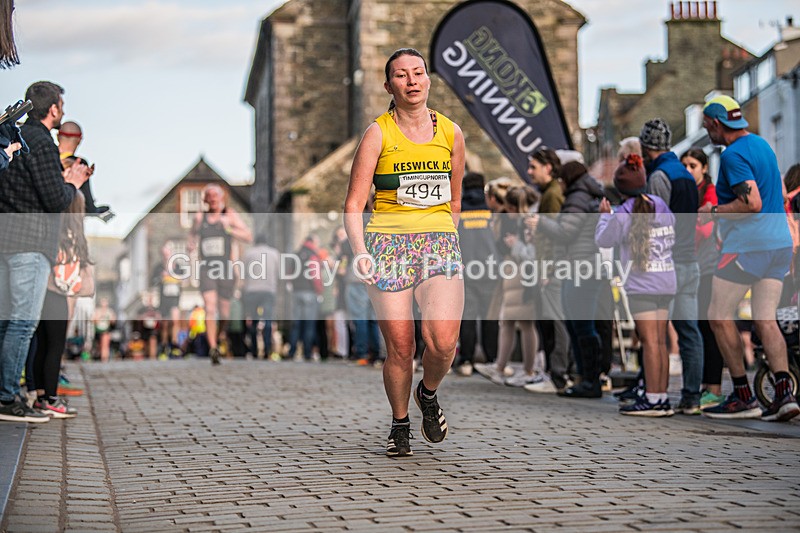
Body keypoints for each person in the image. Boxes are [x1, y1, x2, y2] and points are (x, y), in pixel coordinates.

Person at [344, 48, 465, 457]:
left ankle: (427, 393)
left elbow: (455, 200)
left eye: (418, 73)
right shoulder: (377, 133)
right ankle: (400, 424)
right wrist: (360, 251)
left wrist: (447, 236)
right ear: (388, 85)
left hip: (438, 242)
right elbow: (354, 204)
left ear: (428, 80)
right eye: (401, 75)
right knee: (401, 346)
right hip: (388, 244)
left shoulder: (451, 133)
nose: (411, 81)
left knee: (443, 341)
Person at [699, 95, 799, 421]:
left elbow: (751, 202)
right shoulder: (762, 145)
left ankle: (743, 396)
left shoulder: (733, 155)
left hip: (748, 246)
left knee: (717, 315)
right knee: (765, 319)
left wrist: (714, 211)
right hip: (778, 244)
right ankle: (784, 395)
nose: (707, 132)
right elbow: (779, 194)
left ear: (717, 124)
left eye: (707, 127)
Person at [0, 81, 89, 423]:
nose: (62, 111)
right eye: (61, 106)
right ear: (53, 109)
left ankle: (7, 392)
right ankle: (8, 397)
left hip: (6, 238)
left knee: (7, 322)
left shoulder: (13, 135)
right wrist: (73, 184)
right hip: (31, 242)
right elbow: (55, 200)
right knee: (23, 324)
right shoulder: (41, 142)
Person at [597, 154, 677, 416]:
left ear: (620, 189)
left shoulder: (623, 214)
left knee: (649, 342)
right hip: (667, 280)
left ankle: (652, 400)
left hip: (643, 284)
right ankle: (661, 396)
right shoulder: (659, 204)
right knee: (661, 342)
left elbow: (603, 240)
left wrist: (604, 216)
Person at [640, 118, 703, 415]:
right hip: (690, 260)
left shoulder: (659, 177)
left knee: (656, 332)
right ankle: (692, 397)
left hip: (669, 263)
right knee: (689, 332)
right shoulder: (685, 175)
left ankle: (655, 394)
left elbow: (655, 222)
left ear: (646, 146)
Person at [534, 161, 606, 398]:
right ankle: (586, 378)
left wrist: (541, 222)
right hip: (583, 266)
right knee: (579, 324)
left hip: (581, 267)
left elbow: (566, 232)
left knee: (580, 325)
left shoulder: (577, 197)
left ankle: (589, 380)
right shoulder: (587, 194)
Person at [32, 191, 93, 418]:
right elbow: (68, 276)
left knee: (41, 345)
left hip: (41, 292)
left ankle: (40, 396)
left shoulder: (51, 230)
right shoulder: (71, 236)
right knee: (55, 347)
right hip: (57, 294)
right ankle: (51, 398)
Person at [524, 147, 573, 393]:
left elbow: (556, 236)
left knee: (556, 321)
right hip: (550, 266)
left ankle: (558, 376)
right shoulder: (550, 193)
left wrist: (548, 268)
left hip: (552, 268)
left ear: (548, 168)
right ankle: (556, 374)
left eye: (534, 167)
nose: (529, 172)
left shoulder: (552, 195)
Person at [189, 184, 252, 365]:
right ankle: (213, 347)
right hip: (206, 268)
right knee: (209, 307)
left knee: (224, 312)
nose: (213, 199)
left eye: (215, 196)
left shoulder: (229, 215)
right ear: (205, 200)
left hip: (225, 268)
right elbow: (192, 235)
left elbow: (248, 236)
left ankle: (218, 335)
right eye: (209, 196)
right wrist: (190, 244)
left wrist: (229, 229)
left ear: (221, 198)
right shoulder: (200, 218)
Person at [681, 148, 725, 409]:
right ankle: (704, 385)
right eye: (685, 165)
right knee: (697, 325)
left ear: (704, 168)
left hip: (708, 267)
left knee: (709, 327)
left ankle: (714, 388)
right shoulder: (691, 192)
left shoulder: (710, 192)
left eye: (693, 165)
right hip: (694, 266)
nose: (688, 170)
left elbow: (706, 229)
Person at [453, 171, 498, 377]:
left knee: (468, 317)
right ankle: (491, 359)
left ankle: (467, 360)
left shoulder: (459, 209)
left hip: (467, 271)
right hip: (490, 270)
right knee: (490, 317)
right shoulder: (491, 209)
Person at [56, 121, 113, 221]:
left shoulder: (47, 158)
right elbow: (89, 208)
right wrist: (98, 211)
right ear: (79, 140)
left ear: (57, 136)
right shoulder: (79, 165)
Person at [242, 233, 279, 359]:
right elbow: (278, 273)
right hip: (268, 290)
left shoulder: (249, 254)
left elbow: (244, 272)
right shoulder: (274, 253)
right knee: (267, 320)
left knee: (253, 321)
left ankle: (254, 350)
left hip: (252, 290)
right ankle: (267, 349)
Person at [286, 234, 324, 361]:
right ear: (312, 242)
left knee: (296, 324)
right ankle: (307, 353)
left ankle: (292, 352)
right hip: (309, 292)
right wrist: (319, 291)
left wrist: (292, 286)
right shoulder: (313, 255)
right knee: (309, 324)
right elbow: (315, 275)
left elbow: (289, 274)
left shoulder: (296, 255)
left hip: (296, 292)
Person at [155, 243, 183, 358]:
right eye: (164, 254)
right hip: (163, 299)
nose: (166, 256)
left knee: (175, 321)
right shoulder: (158, 268)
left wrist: (175, 276)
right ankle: (164, 346)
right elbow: (153, 281)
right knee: (165, 324)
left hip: (175, 298)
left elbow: (184, 279)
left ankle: (175, 345)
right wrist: (161, 277)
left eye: (168, 253)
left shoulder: (178, 267)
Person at [93, 297, 116, 362]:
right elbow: (93, 320)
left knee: (105, 344)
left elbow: (113, 321)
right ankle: (102, 357)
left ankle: (104, 358)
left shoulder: (110, 311)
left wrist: (111, 319)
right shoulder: (97, 311)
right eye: (103, 302)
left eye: (105, 302)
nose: (104, 304)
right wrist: (98, 318)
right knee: (100, 345)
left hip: (106, 330)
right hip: (98, 330)